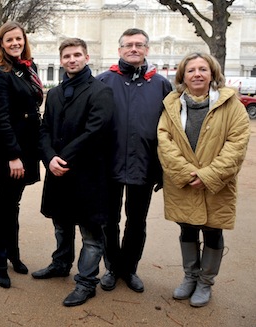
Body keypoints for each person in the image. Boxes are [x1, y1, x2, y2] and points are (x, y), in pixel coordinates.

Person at [158, 53, 250, 307]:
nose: (197, 74)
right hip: (183, 182)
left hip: (217, 184)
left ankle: (205, 282)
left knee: (212, 230)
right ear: (182, 76)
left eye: (203, 69)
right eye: (191, 70)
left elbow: (237, 145)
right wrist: (187, 174)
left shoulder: (232, 105)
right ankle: (190, 277)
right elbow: (164, 141)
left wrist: (207, 176)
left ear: (213, 74)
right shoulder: (172, 105)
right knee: (186, 227)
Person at [39, 38, 114, 307]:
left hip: (87, 174)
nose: (72, 59)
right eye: (67, 55)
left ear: (86, 57)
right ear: (61, 60)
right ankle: (60, 264)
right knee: (61, 224)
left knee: (90, 232)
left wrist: (62, 158)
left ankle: (86, 281)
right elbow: (45, 128)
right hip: (58, 172)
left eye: (77, 55)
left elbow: (95, 131)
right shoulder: (56, 93)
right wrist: (49, 158)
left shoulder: (100, 91)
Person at [96, 28, 172, 293]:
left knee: (136, 221)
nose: (134, 49)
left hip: (144, 164)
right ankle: (112, 267)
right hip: (110, 164)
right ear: (119, 50)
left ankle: (130, 268)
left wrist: (164, 168)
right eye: (128, 45)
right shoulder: (104, 80)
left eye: (139, 45)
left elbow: (170, 128)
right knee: (109, 220)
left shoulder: (161, 84)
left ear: (147, 50)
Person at [0, 22, 42, 288]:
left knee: (13, 204)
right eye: (9, 40)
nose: (15, 43)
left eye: (18, 38)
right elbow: (0, 118)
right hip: (9, 150)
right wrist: (13, 155)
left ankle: (13, 254)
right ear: (1, 44)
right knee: (3, 203)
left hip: (26, 147)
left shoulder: (28, 69)